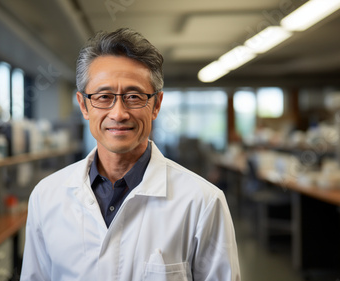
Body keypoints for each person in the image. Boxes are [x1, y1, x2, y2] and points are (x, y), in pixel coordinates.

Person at [21, 28, 240, 281]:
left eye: (134, 97)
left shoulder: (203, 202)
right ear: (84, 105)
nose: (118, 114)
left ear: (156, 105)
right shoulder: (46, 196)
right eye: (104, 97)